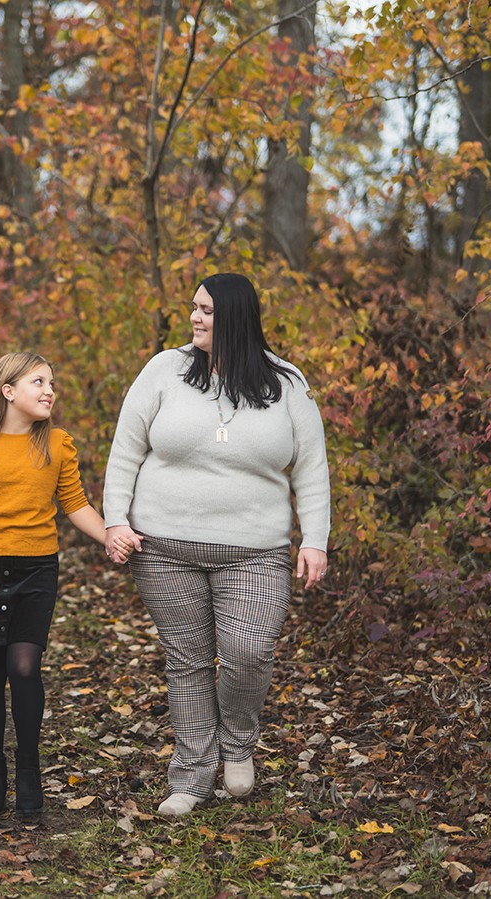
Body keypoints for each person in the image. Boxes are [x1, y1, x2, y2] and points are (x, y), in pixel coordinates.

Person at [103, 272, 330, 817]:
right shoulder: (166, 369)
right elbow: (125, 450)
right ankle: (190, 778)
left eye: (205, 310)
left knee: (248, 652)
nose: (194, 318)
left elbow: (313, 468)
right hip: (164, 547)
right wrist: (116, 520)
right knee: (186, 662)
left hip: (257, 550)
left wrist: (314, 539)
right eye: (193, 308)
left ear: (234, 315)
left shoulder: (285, 382)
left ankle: (239, 745)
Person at [0, 352, 118, 817]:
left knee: (23, 667)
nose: (49, 391)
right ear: (8, 391)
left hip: (37, 570)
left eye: (52, 383)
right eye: (38, 381)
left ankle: (28, 768)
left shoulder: (57, 443)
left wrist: (112, 536)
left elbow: (75, 505)